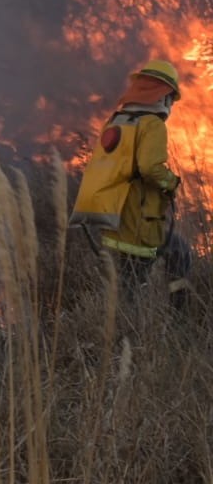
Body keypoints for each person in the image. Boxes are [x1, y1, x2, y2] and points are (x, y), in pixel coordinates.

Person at [70, 59, 192, 306]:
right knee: (178, 254)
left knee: (131, 279)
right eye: (171, 99)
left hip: (115, 218)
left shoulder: (117, 121)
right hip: (139, 217)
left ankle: (125, 321)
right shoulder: (152, 125)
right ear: (164, 96)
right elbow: (149, 168)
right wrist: (171, 182)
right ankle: (178, 314)